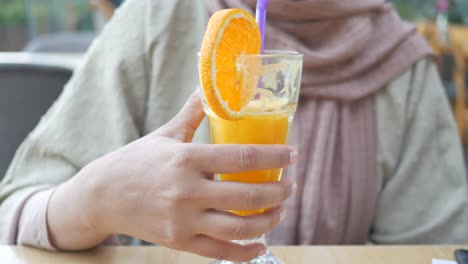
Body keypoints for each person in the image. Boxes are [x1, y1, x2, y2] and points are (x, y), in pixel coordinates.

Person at [1, 0, 467, 261]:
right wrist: (94, 201)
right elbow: (13, 213)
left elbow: (440, 252)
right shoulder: (160, 16)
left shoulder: (401, 64)